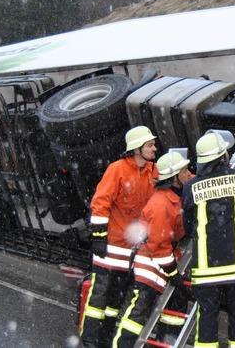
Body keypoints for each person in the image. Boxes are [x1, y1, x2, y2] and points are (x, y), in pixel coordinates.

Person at [80, 126, 158, 348]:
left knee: (115, 302)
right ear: (136, 149)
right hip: (110, 249)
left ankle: (104, 340)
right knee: (99, 299)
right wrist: (98, 237)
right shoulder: (117, 170)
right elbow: (100, 203)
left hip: (132, 253)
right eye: (150, 145)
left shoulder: (153, 171)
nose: (154, 148)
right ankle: (90, 341)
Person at [182, 131, 235, 348]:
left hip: (207, 273)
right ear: (223, 156)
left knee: (206, 323)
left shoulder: (191, 187)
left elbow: (188, 227)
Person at [111, 150, 193, 347]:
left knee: (175, 308)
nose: (189, 174)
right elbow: (158, 246)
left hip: (164, 263)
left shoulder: (173, 196)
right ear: (174, 178)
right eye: (185, 171)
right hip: (152, 268)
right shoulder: (160, 204)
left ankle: (167, 340)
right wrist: (173, 272)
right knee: (137, 315)